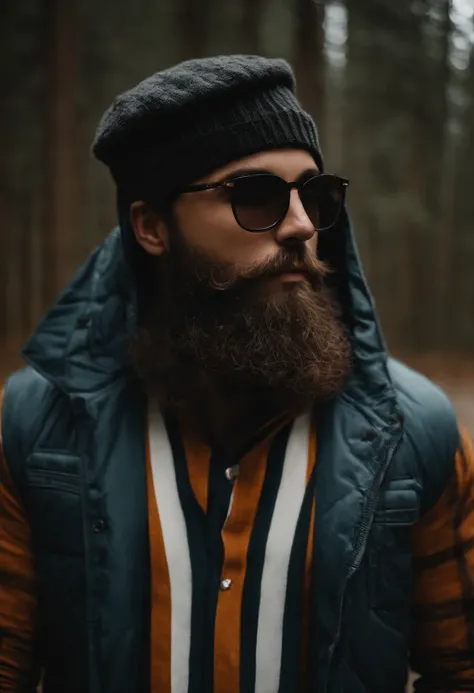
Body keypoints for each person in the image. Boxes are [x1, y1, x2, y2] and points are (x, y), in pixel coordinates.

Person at [0, 55, 473, 693]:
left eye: (315, 194)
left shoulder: (414, 430)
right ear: (151, 226)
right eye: (255, 196)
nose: (303, 225)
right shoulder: (36, 429)